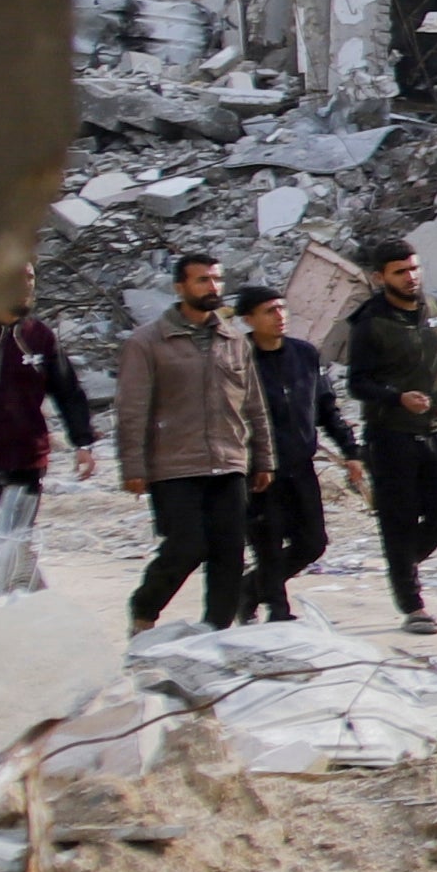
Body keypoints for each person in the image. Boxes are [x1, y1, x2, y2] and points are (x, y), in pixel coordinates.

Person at [115, 248, 271, 632]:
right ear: (179, 287)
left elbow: (253, 403)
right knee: (186, 546)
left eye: (217, 279)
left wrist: (264, 457)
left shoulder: (233, 340)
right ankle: (144, 607)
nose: (212, 286)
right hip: (174, 465)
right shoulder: (148, 342)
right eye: (203, 279)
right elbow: (132, 409)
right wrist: (133, 466)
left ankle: (216, 632)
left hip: (229, 461)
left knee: (229, 554)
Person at [339, 237, 437, 637]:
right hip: (390, 436)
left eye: (414, 268)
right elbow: (358, 383)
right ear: (380, 278)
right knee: (398, 522)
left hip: (436, 431)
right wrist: (396, 397)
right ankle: (413, 605)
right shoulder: (370, 322)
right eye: (400, 272)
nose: (411, 277)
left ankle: (402, 566)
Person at [228, 280, 358, 623]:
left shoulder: (304, 354)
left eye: (282, 308)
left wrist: (351, 450)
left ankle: (248, 590)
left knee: (313, 543)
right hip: (259, 471)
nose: (279, 316)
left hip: (300, 467)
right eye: (269, 311)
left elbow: (326, 407)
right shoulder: (236, 360)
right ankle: (277, 611)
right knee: (267, 544)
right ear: (249, 319)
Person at [0, 271, 97, 582]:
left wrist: (83, 443)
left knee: (15, 543)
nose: (26, 286)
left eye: (30, 277)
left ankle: (3, 609)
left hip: (27, 459)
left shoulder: (40, 337)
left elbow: (68, 391)